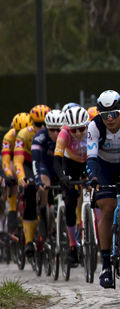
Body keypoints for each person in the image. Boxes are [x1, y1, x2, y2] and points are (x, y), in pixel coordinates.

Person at [87, 90, 120, 287]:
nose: (109, 119)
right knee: (106, 209)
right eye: (105, 115)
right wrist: (93, 177)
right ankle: (106, 264)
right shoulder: (95, 126)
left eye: (113, 114)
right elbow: (91, 156)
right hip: (104, 166)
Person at [14, 105, 51, 262]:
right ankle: (29, 240)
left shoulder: (55, 133)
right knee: (29, 191)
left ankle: (49, 214)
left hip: (47, 164)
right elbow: (18, 160)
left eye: (45, 124)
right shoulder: (24, 134)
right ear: (31, 124)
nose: (41, 127)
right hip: (29, 164)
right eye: (37, 124)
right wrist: (22, 177)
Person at [54, 106, 89, 263]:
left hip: (89, 161)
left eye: (81, 128)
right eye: (73, 130)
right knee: (69, 200)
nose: (78, 133)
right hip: (71, 164)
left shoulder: (92, 130)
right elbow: (57, 159)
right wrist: (62, 177)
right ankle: (73, 245)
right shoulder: (64, 134)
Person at [32, 110, 64, 258]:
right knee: (44, 183)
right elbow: (36, 162)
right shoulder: (39, 137)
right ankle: (43, 213)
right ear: (47, 128)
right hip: (46, 167)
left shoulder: (67, 136)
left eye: (59, 129)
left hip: (61, 167)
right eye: (52, 130)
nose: (56, 133)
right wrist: (38, 179)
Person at [2, 112, 31, 231]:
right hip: (15, 159)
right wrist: (9, 175)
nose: (20, 135)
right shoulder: (9, 137)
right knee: (12, 175)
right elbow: (5, 161)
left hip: (28, 159)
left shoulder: (32, 134)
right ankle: (12, 210)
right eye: (17, 132)